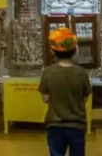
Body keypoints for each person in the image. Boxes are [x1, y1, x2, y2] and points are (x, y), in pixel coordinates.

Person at [39, 27, 92, 156]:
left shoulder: (48, 72)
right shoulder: (81, 72)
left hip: (55, 125)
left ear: (52, 51)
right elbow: (85, 98)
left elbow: (45, 99)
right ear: (74, 51)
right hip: (77, 125)